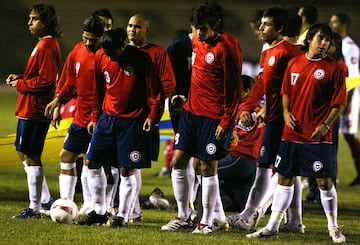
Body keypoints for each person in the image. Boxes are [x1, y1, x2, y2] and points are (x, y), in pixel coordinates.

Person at [247, 23, 347, 243]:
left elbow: (339, 104)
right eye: (320, 38)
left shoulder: (334, 68)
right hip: (292, 134)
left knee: (324, 182)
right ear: (309, 40)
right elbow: (286, 93)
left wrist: (326, 125)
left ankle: (334, 227)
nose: (324, 43)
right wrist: (285, 112)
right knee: (285, 178)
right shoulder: (294, 63)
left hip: (317, 136)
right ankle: (272, 226)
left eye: (327, 40)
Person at [161, 1, 242, 234]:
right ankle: (184, 215)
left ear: (215, 24)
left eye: (203, 28)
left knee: (207, 167)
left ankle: (207, 220)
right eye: (195, 28)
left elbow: (234, 87)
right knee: (178, 161)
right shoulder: (196, 40)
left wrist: (227, 120)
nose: (197, 33)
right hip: (191, 113)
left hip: (214, 117)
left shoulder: (227, 47)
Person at [77, 28, 163, 227]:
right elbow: (98, 89)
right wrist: (94, 117)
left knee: (126, 169)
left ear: (123, 46)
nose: (109, 56)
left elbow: (156, 91)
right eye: (106, 52)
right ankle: (99, 212)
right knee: (91, 162)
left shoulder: (142, 60)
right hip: (107, 119)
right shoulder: (101, 56)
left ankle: (122, 216)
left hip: (133, 122)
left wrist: (153, 116)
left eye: (112, 53)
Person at [228, 7, 302, 230]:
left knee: (266, 165)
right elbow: (262, 83)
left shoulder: (290, 52)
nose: (260, 28)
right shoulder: (268, 52)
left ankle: (248, 216)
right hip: (274, 118)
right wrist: (249, 107)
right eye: (261, 23)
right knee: (287, 169)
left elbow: (299, 83)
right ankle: (295, 221)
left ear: (279, 29)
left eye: (266, 24)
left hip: (285, 121)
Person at [6, 3, 62, 219]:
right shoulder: (42, 44)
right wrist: (20, 78)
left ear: (46, 22)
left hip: (35, 109)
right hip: (29, 107)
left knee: (31, 155)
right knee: (24, 152)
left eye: (34, 19)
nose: (29, 22)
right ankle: (42, 200)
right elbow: (38, 75)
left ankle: (36, 207)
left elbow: (46, 81)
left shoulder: (48, 46)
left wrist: (20, 85)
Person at [44, 16, 105, 210]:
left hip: (100, 120)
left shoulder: (107, 56)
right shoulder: (78, 50)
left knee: (92, 163)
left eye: (93, 39)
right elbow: (69, 81)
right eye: (85, 37)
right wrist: (58, 101)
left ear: (102, 37)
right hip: (80, 118)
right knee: (66, 156)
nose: (88, 42)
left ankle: (97, 207)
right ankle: (66, 204)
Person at [126, 13, 176, 222]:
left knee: (132, 163)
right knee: (118, 163)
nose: (132, 30)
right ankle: (125, 208)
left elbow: (168, 83)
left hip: (143, 116)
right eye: (129, 25)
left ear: (147, 31)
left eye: (137, 27)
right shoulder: (122, 51)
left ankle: (134, 211)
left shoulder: (157, 53)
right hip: (119, 115)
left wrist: (150, 103)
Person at [218, 75, 265, 212]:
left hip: (238, 159)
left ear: (247, 92)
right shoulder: (260, 111)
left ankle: (217, 205)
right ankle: (231, 202)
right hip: (252, 165)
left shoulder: (243, 109)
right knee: (240, 203)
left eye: (236, 90)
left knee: (205, 171)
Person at [329, 13, 360, 187]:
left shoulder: (350, 47)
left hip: (348, 97)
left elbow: (354, 77)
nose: (331, 24)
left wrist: (348, 101)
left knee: (348, 134)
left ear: (343, 24)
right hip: (338, 96)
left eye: (335, 21)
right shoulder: (335, 44)